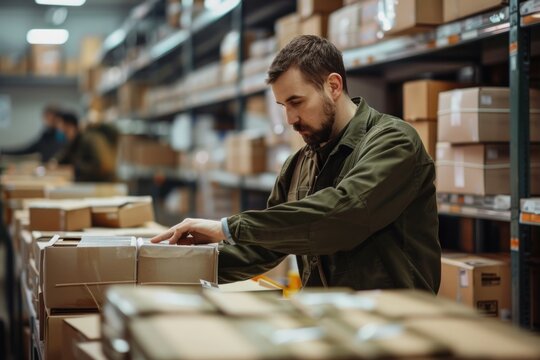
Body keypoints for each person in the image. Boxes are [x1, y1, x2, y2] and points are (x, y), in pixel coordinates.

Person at [151, 35, 441, 292]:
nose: (290, 119)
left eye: (297, 102)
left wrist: (228, 227)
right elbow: (263, 248)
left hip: (394, 328)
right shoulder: (298, 163)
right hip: (328, 323)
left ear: (334, 86)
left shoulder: (394, 142)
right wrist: (169, 268)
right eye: (283, 107)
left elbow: (345, 213)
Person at [51, 111, 118, 182]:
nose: (62, 134)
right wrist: (55, 163)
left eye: (64, 130)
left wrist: (74, 169)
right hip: (87, 183)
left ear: (71, 127)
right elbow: (62, 158)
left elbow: (102, 166)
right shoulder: (73, 142)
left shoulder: (90, 139)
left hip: (101, 185)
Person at [0, 104, 65, 162]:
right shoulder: (47, 135)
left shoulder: (62, 135)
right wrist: (3, 151)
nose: (46, 120)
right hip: (48, 171)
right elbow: (27, 149)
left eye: (48, 117)